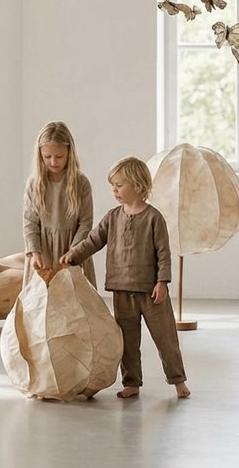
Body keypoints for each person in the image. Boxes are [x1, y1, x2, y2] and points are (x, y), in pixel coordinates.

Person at [61, 156, 190, 399]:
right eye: (113, 186)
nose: (114, 190)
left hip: (151, 293)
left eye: (119, 185)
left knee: (165, 339)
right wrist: (73, 255)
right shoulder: (112, 217)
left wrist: (162, 282)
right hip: (121, 291)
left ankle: (178, 380)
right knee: (128, 342)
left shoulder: (154, 218)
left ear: (138, 186)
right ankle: (132, 382)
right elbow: (93, 241)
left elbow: (164, 253)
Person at [23, 121, 95, 286]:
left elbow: (85, 223)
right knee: (42, 302)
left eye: (59, 156)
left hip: (73, 251)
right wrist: (35, 252)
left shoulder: (81, 183)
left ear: (69, 152)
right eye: (47, 157)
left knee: (76, 302)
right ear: (40, 154)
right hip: (43, 254)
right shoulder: (34, 184)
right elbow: (30, 223)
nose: (54, 161)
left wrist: (74, 251)